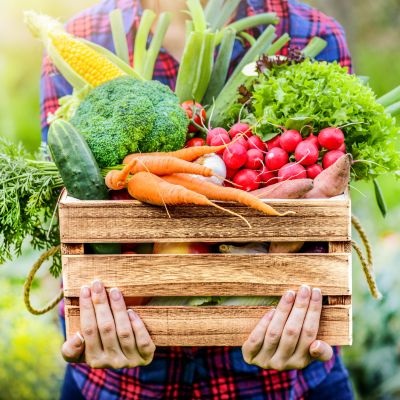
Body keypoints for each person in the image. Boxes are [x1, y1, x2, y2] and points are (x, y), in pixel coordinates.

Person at [41, 1, 354, 399]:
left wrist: (312, 316)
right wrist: (88, 315)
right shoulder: (79, 36)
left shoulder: (313, 33)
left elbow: (331, 216)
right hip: (120, 386)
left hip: (285, 383)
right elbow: (69, 209)